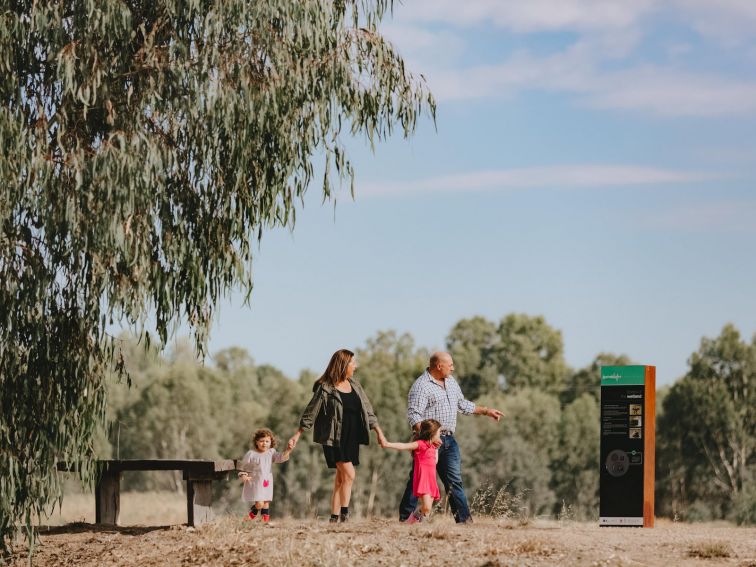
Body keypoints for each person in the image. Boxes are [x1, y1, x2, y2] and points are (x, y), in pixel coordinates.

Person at [398, 351, 504, 524]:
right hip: (428, 443)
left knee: (454, 481)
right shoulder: (421, 386)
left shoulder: (451, 382)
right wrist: (429, 437)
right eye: (451, 365)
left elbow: (462, 404)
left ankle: (464, 522)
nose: (453, 368)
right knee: (418, 479)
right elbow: (413, 415)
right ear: (439, 366)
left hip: (449, 440)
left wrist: (486, 411)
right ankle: (405, 519)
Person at [289, 349, 387, 523]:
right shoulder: (325, 388)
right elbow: (311, 412)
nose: (355, 366)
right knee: (350, 474)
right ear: (343, 365)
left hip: (352, 437)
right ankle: (345, 514)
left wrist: (379, 432)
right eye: (353, 363)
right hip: (334, 438)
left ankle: (334, 518)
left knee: (341, 479)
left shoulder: (355, 386)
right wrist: (297, 434)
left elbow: (368, 410)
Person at [382, 419, 442, 524]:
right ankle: (412, 520)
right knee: (426, 508)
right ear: (432, 434)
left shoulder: (433, 447)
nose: (440, 435)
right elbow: (403, 446)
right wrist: (387, 444)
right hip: (423, 480)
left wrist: (436, 449)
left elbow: (435, 461)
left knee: (426, 511)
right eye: (439, 433)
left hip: (431, 479)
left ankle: (414, 524)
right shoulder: (420, 444)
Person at [238, 428, 292, 523]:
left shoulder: (271, 453)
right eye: (262, 441)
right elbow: (244, 466)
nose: (264, 443)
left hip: (267, 481)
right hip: (255, 481)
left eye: (267, 441)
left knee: (266, 502)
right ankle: (249, 517)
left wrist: (288, 450)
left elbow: (280, 458)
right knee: (259, 503)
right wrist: (243, 475)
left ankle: (264, 522)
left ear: (271, 442)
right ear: (256, 442)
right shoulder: (251, 454)